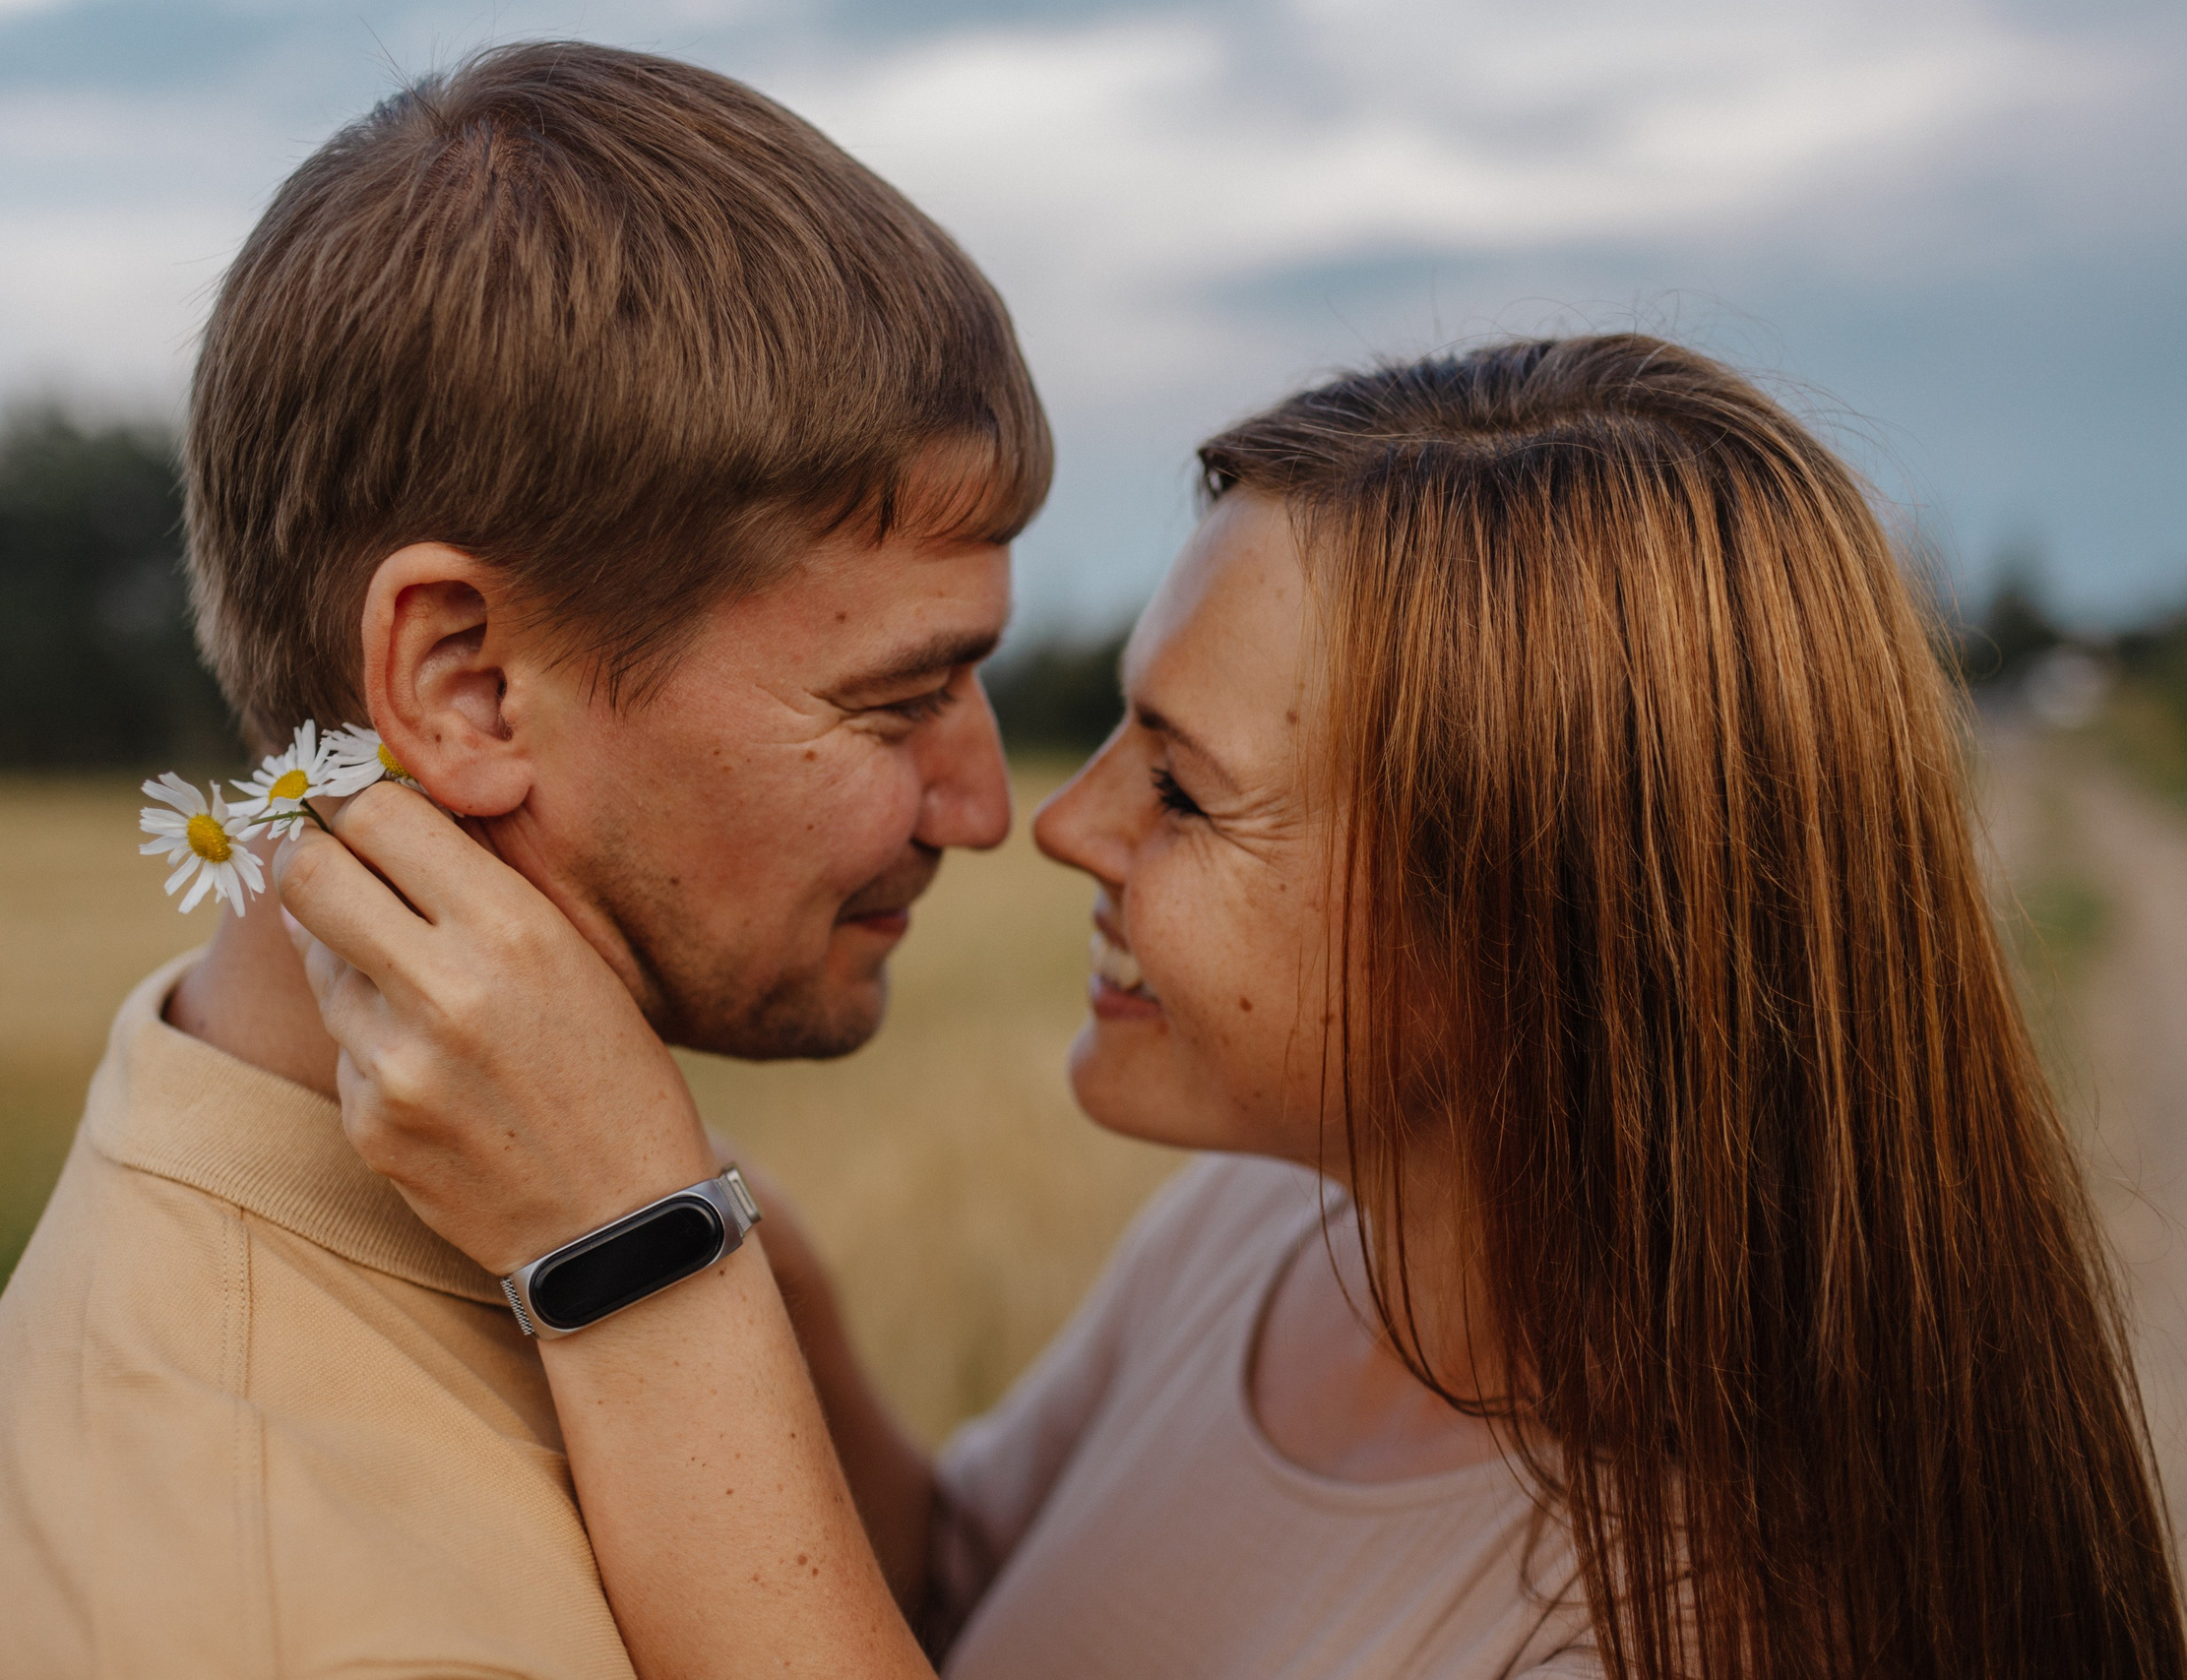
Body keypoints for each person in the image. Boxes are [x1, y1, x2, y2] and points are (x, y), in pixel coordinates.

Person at [277, 334, 2187, 1679]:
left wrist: (634, 1257)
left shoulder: (1698, 1614)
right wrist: (727, 1216)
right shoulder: (1271, 1229)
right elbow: (955, 1585)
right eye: (1115, 722)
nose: (1063, 820)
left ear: (1525, 925)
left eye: (1182, 785)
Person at [0, 40, 1047, 1679]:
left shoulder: (454, 1189)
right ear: (464, 682)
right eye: (897, 696)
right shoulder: (297, 1615)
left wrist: (706, 1230)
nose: (982, 806)